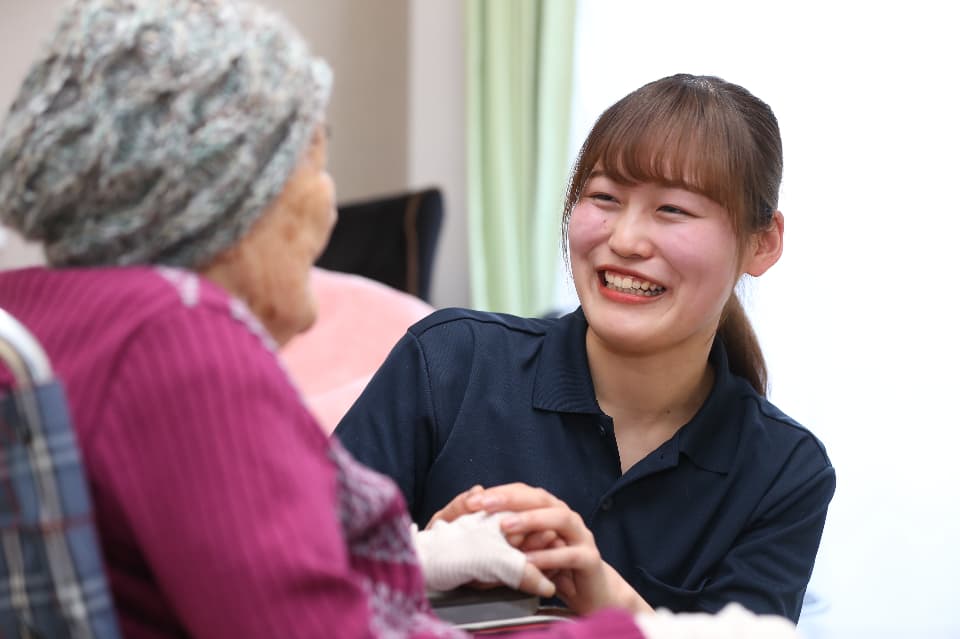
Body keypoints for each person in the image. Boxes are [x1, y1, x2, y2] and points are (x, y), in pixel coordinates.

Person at [0, 1, 802, 638]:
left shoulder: (32, 308)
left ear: (760, 243)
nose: (327, 200)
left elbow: (278, 560)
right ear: (231, 189)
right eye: (314, 161)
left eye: (672, 210)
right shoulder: (180, 338)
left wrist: (414, 555)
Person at [334, 74, 837, 622]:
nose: (623, 240)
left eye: (672, 209)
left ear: (762, 243)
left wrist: (607, 599)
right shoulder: (448, 363)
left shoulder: (785, 471)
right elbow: (286, 577)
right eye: (604, 198)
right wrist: (420, 560)